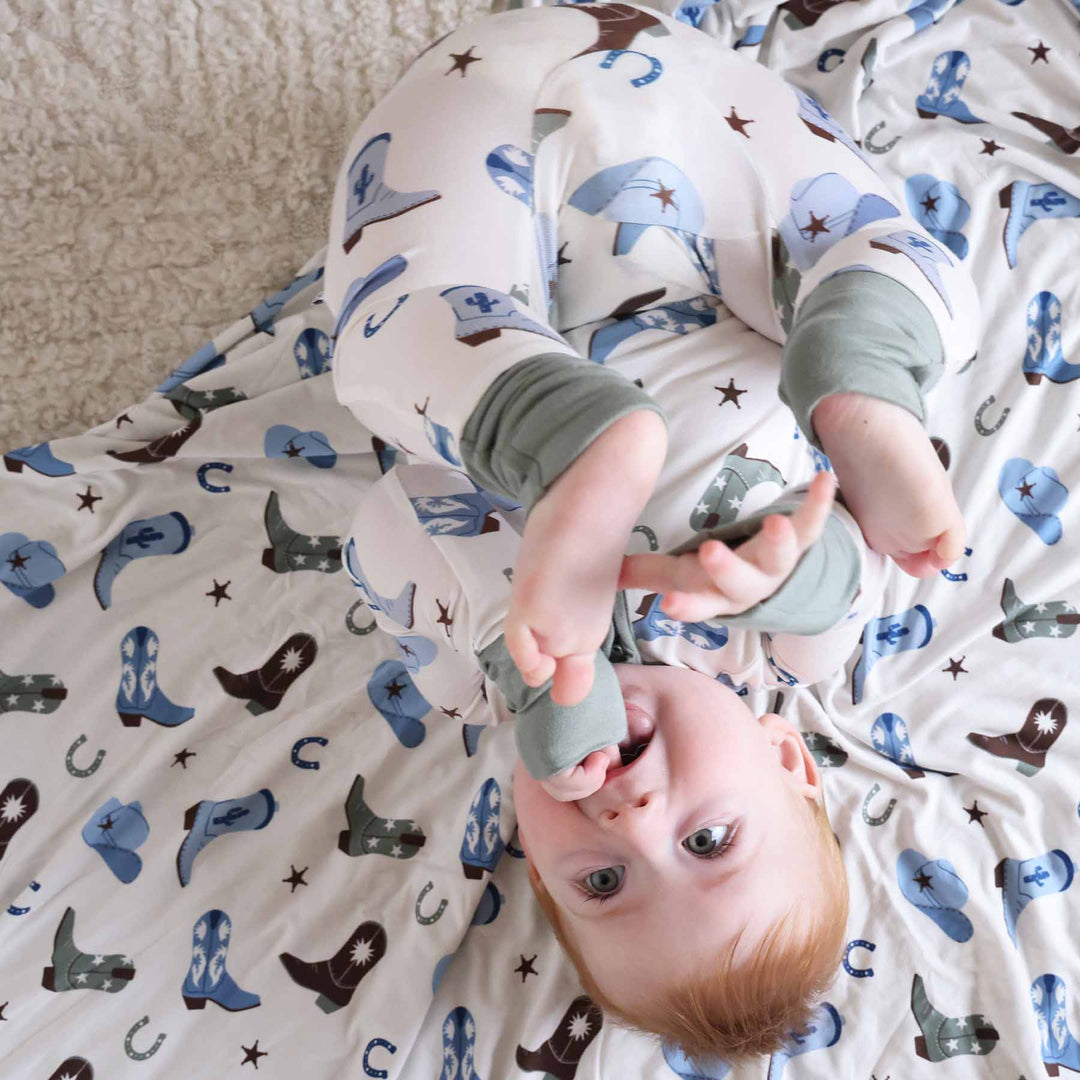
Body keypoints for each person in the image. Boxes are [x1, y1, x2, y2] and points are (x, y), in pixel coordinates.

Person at [324, 1, 979, 1067]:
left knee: (384, 349)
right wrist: (769, 573)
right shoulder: (796, 664)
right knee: (900, 268)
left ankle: (564, 433)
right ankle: (864, 386)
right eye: (707, 841)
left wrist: (541, 654)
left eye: (602, 884)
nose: (630, 820)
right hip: (703, 157)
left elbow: (384, 530)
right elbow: (844, 581)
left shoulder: (469, 679)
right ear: (786, 761)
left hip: (476, 152)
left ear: (537, 860)